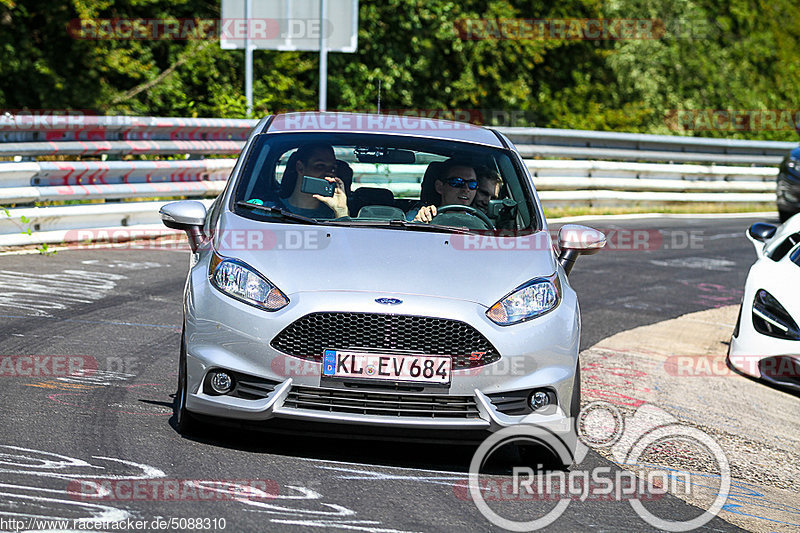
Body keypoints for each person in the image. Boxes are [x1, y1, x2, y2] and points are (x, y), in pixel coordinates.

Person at [278, 144, 348, 218]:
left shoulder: (335, 214)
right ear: (300, 168)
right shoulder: (270, 209)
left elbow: (344, 229)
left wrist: (341, 211)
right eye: (320, 166)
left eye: (333, 168)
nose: (330, 172)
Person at [408, 159, 478, 223]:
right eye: (457, 182)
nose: (466, 189)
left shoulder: (479, 223)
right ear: (439, 187)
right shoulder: (421, 215)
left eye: (472, 184)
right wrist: (417, 223)